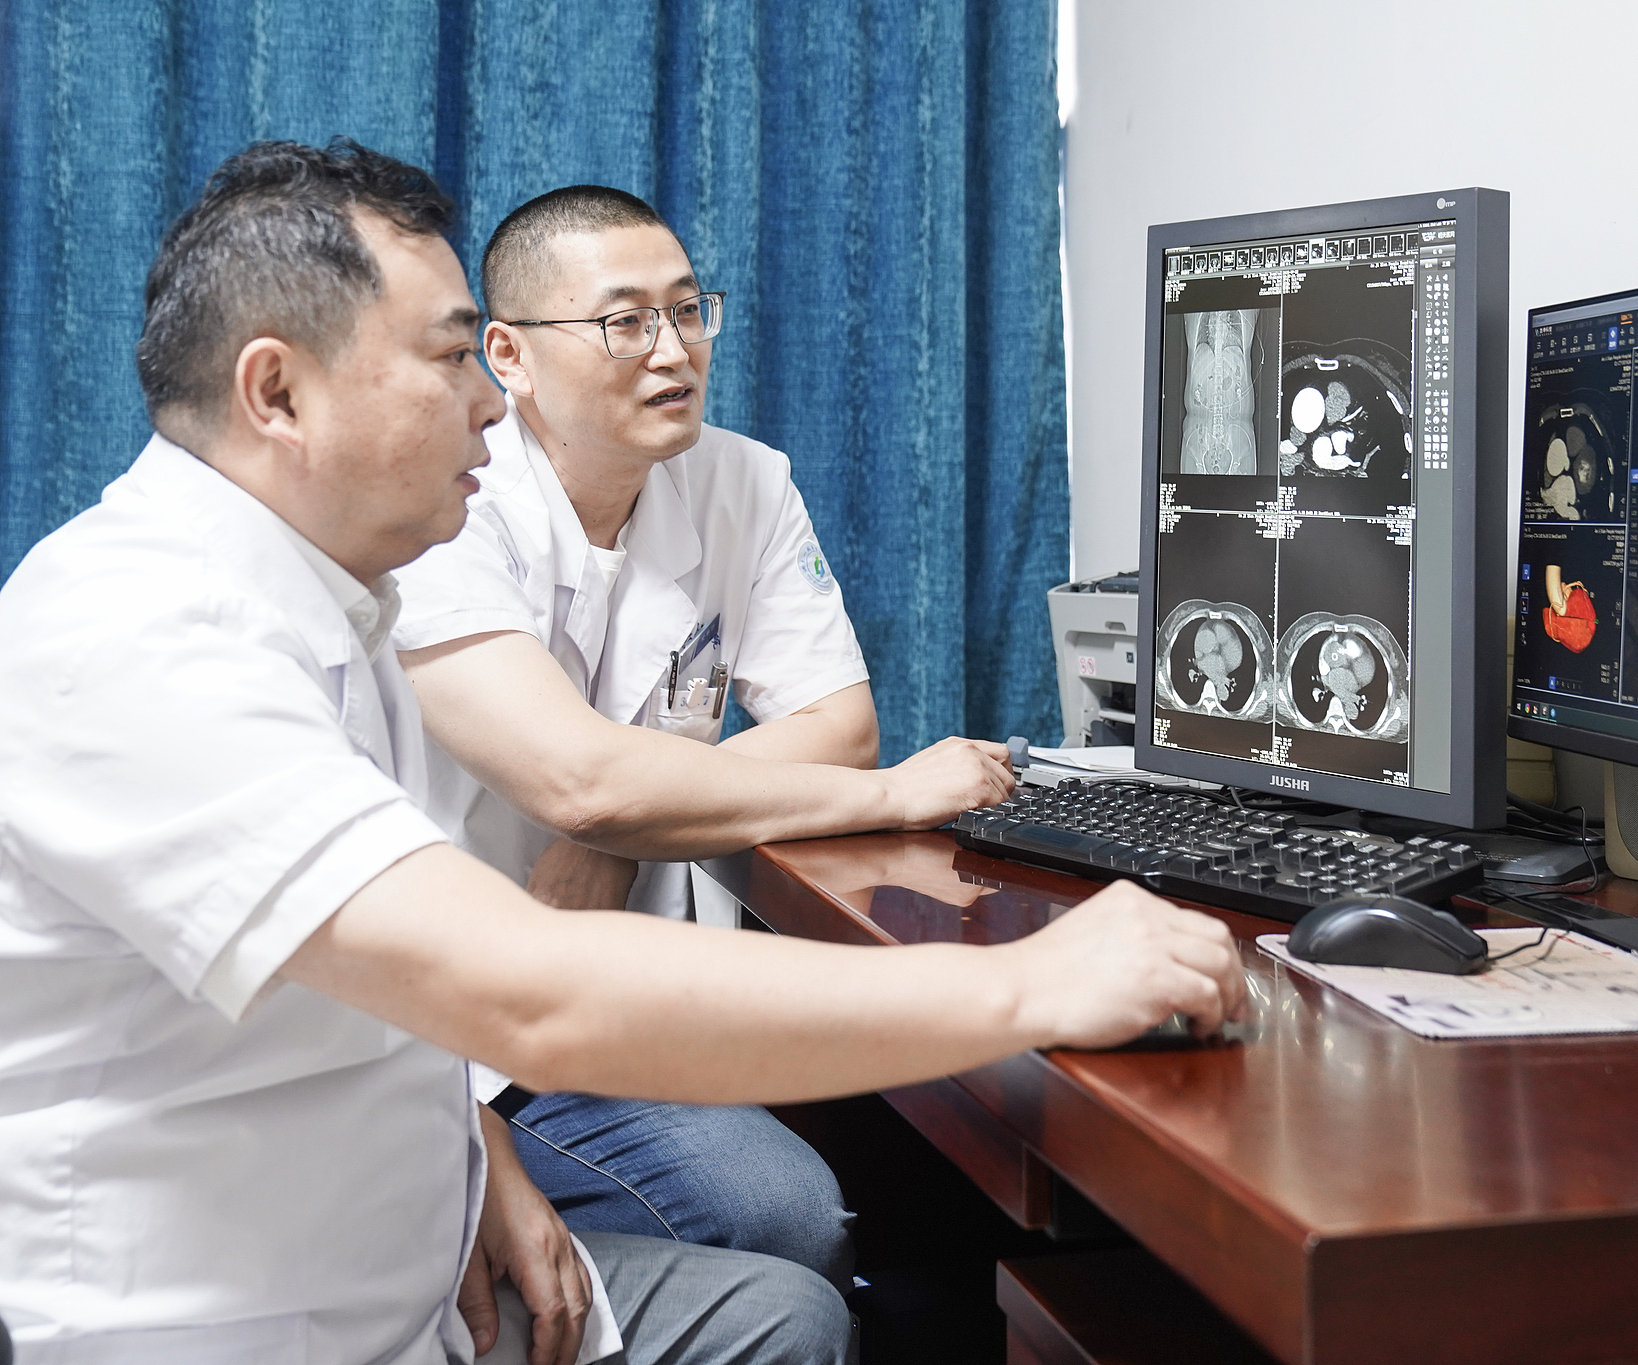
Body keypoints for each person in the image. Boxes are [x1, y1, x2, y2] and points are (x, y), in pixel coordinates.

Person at [0, 139, 1247, 1365]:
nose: (484, 404)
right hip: (252, 1319)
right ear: (277, 394)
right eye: (449, 356)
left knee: (795, 1311)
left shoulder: (332, 603)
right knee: (788, 1217)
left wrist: (469, 1150)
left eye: (688, 311)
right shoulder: (138, 638)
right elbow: (527, 978)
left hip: (410, 1228)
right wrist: (1034, 984)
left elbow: (397, 968)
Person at [385, 186, 970, 1284]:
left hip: (633, 977)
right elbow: (581, 781)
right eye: (624, 321)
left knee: (929, 1158)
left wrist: (627, 830)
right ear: (506, 354)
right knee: (784, 1211)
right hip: (458, 1030)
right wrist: (891, 795)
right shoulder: (446, 501)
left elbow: (838, 726)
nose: (674, 349)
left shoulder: (741, 480)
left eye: (689, 308)